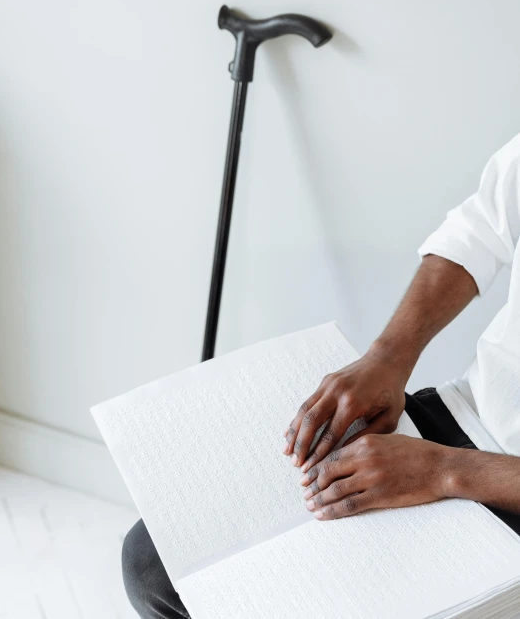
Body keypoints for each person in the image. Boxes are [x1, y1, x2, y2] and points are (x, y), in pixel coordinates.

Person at [122, 133, 520, 619]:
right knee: (154, 566)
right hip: (467, 413)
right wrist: (389, 356)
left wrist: (446, 471)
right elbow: (481, 231)